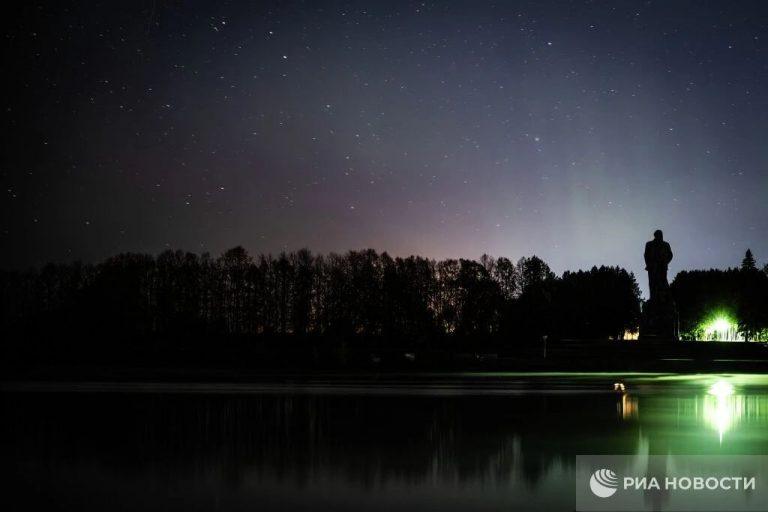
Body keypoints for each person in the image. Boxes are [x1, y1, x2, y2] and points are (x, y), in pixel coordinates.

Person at [644, 229, 673, 302]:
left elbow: (670, 255)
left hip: (662, 266)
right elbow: (646, 255)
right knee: (652, 282)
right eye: (658, 235)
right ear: (655, 236)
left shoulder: (666, 244)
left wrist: (665, 262)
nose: (660, 237)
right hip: (652, 266)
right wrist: (648, 264)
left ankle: (664, 298)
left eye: (661, 235)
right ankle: (653, 298)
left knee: (663, 282)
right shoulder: (649, 244)